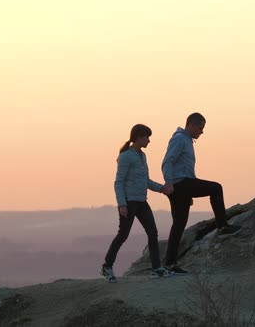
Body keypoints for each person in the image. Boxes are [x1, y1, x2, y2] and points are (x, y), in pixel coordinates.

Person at [162, 113, 241, 275]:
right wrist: (169, 182)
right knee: (216, 188)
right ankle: (222, 226)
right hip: (179, 184)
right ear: (191, 125)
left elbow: (185, 168)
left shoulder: (186, 140)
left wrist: (188, 193)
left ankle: (169, 264)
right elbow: (167, 161)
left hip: (182, 185)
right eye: (200, 128)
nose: (201, 132)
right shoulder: (179, 139)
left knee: (178, 225)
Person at [101, 124, 174, 283]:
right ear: (138, 137)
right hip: (129, 201)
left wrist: (161, 188)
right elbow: (118, 182)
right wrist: (122, 205)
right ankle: (107, 266)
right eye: (147, 137)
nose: (149, 140)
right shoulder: (126, 156)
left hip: (141, 201)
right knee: (123, 235)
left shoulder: (142, 156)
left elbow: (145, 181)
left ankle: (156, 268)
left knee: (152, 232)